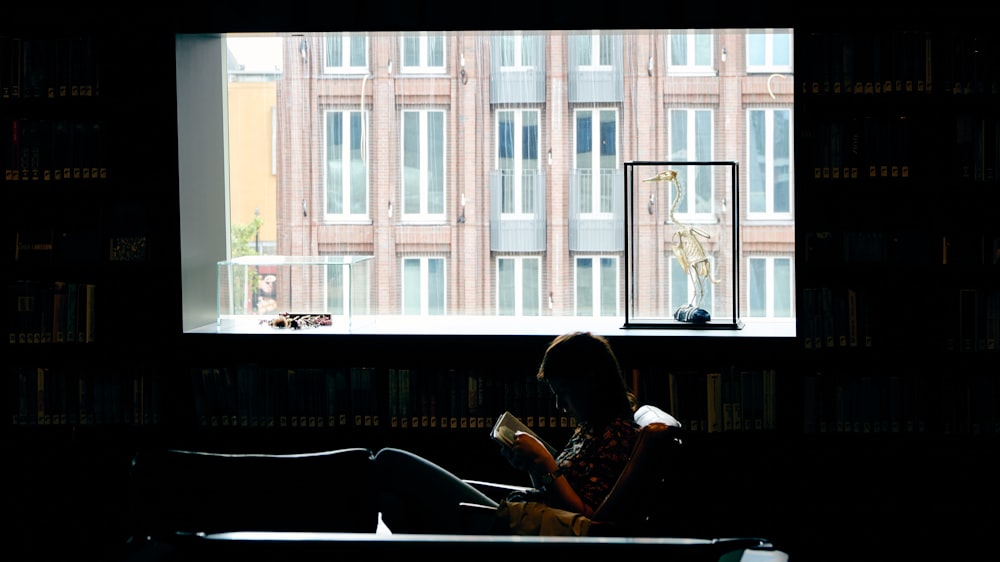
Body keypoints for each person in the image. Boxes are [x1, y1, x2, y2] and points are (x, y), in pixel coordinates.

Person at [374, 331, 640, 534]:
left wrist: (546, 463)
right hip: (521, 514)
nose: (560, 407)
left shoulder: (617, 435)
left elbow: (583, 521)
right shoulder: (592, 427)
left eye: (564, 394)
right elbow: (556, 496)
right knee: (392, 499)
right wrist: (534, 466)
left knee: (390, 461)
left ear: (590, 383)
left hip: (512, 524)